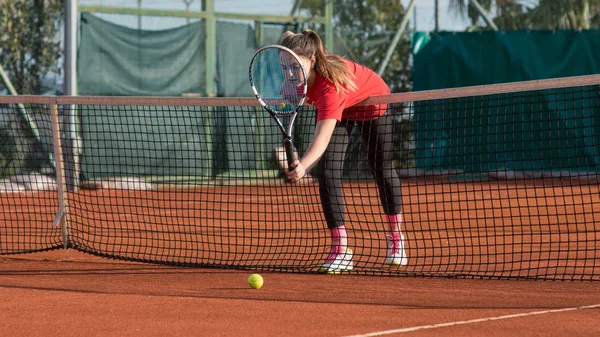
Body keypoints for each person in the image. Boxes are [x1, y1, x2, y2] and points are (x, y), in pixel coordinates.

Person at [280, 30, 408, 273]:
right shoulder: (296, 78)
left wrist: (303, 165)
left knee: (381, 168)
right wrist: (290, 40)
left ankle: (396, 238)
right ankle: (341, 250)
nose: (289, 73)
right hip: (345, 109)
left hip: (373, 102)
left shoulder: (328, 90)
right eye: (285, 67)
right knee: (327, 171)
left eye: (294, 66)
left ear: (313, 61)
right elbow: (289, 37)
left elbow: (322, 137)